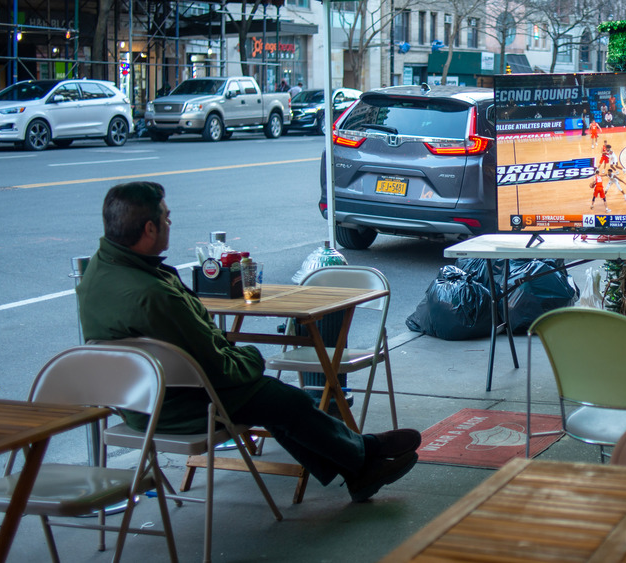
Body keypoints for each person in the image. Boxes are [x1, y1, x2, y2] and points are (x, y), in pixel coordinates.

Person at [76, 181, 421, 503]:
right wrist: (254, 358)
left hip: (138, 404)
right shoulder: (152, 294)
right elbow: (218, 368)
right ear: (149, 228)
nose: (169, 222)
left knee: (276, 401)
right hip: (180, 408)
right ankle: (363, 456)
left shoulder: (96, 274)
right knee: (277, 396)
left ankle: (360, 464)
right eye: (166, 217)